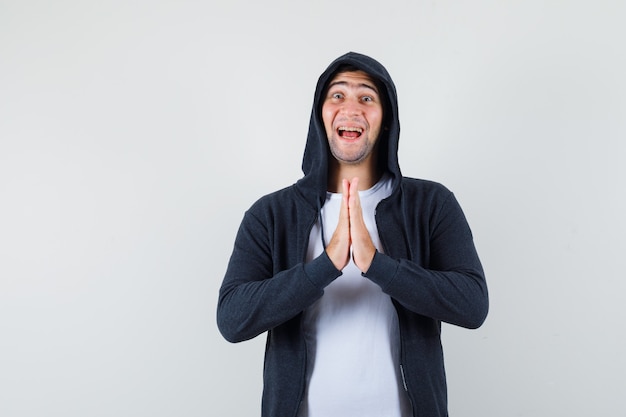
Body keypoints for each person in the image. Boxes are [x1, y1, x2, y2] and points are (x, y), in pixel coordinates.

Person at [217, 52, 488, 417]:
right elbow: (232, 319)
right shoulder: (272, 214)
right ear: (321, 116)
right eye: (338, 95)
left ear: (386, 119)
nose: (351, 108)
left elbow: (472, 305)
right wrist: (325, 264)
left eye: (367, 97)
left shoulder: (431, 204)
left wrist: (377, 264)